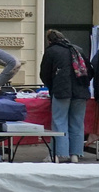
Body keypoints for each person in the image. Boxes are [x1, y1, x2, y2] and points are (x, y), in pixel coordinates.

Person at [38, 29, 91, 163]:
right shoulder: (77, 49)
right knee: (77, 123)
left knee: (59, 121)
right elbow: (89, 71)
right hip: (81, 92)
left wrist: (52, 86)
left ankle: (58, 154)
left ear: (49, 40)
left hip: (61, 92)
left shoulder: (51, 51)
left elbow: (44, 74)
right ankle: (75, 155)